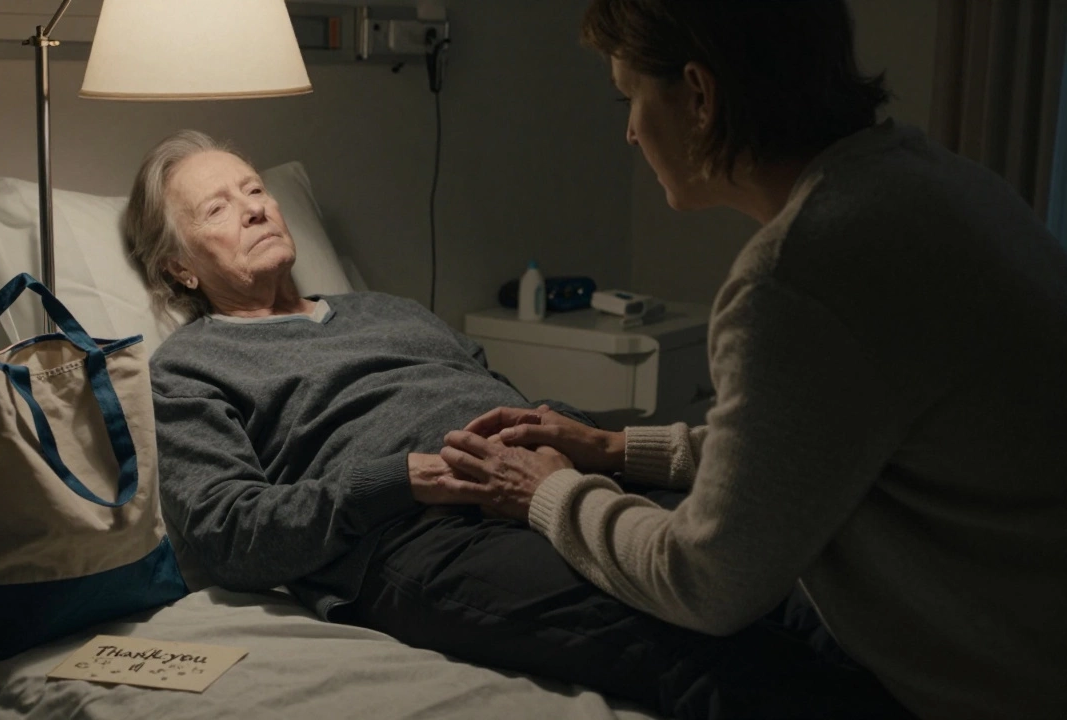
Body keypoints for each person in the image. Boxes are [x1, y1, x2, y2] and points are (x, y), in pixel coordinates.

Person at [127, 129, 910, 719]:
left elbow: (498, 390)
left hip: (548, 476)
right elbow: (222, 534)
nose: (256, 206)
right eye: (219, 208)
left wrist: (561, 431)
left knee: (781, 568)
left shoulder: (387, 311)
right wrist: (401, 479)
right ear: (180, 268)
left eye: (254, 186)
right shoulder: (194, 367)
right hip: (418, 536)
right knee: (689, 643)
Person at [440, 2, 1067, 719]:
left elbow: (706, 582)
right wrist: (613, 448)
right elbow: (806, 444)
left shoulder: (803, 274)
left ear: (700, 96)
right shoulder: (932, 182)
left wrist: (544, 492)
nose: (630, 131)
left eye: (630, 98)